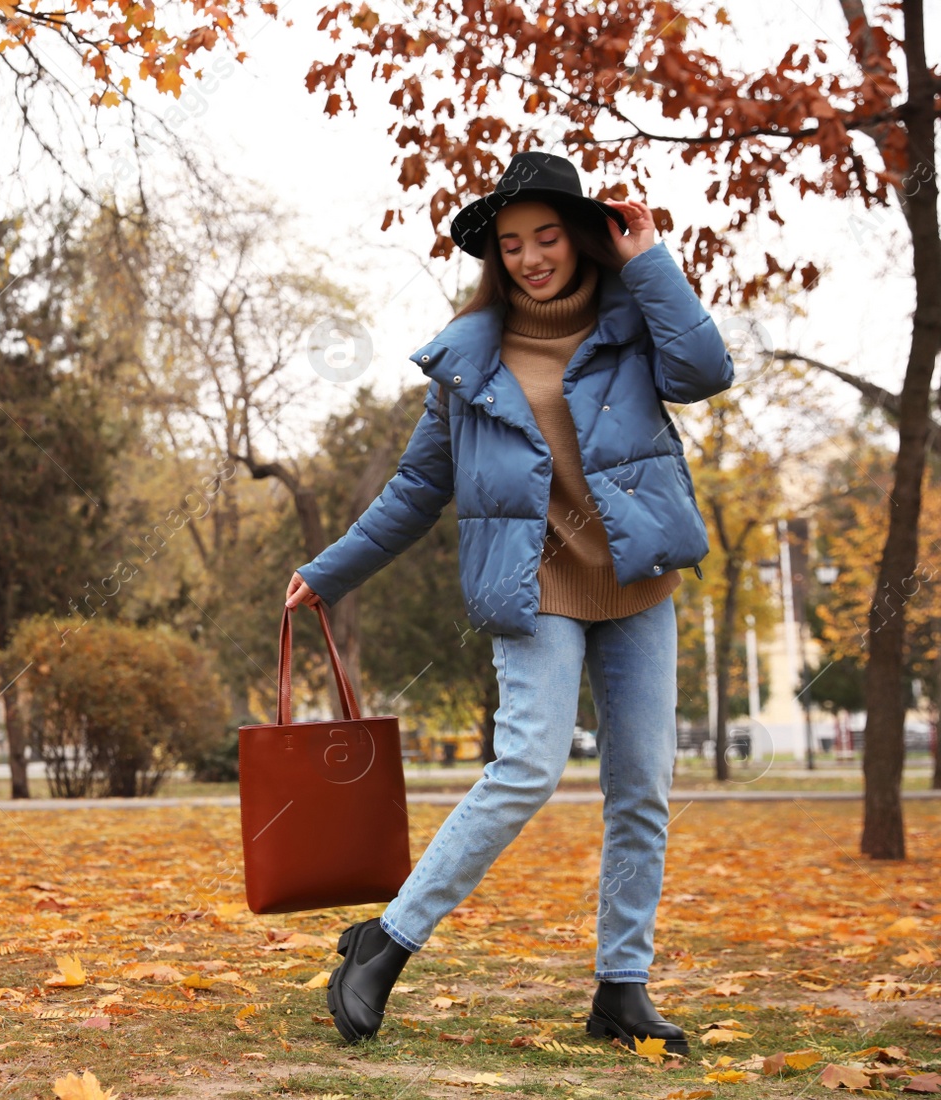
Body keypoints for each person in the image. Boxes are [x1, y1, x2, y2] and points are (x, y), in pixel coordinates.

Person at [286, 150, 734, 1050]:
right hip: (535, 593)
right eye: (513, 243)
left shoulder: (635, 323)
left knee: (642, 789)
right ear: (496, 256)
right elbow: (418, 488)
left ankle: (621, 990)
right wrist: (327, 570)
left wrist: (649, 261)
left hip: (639, 586)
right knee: (526, 765)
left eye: (548, 236)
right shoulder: (467, 363)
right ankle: (386, 942)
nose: (531, 256)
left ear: (579, 237)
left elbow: (706, 370)